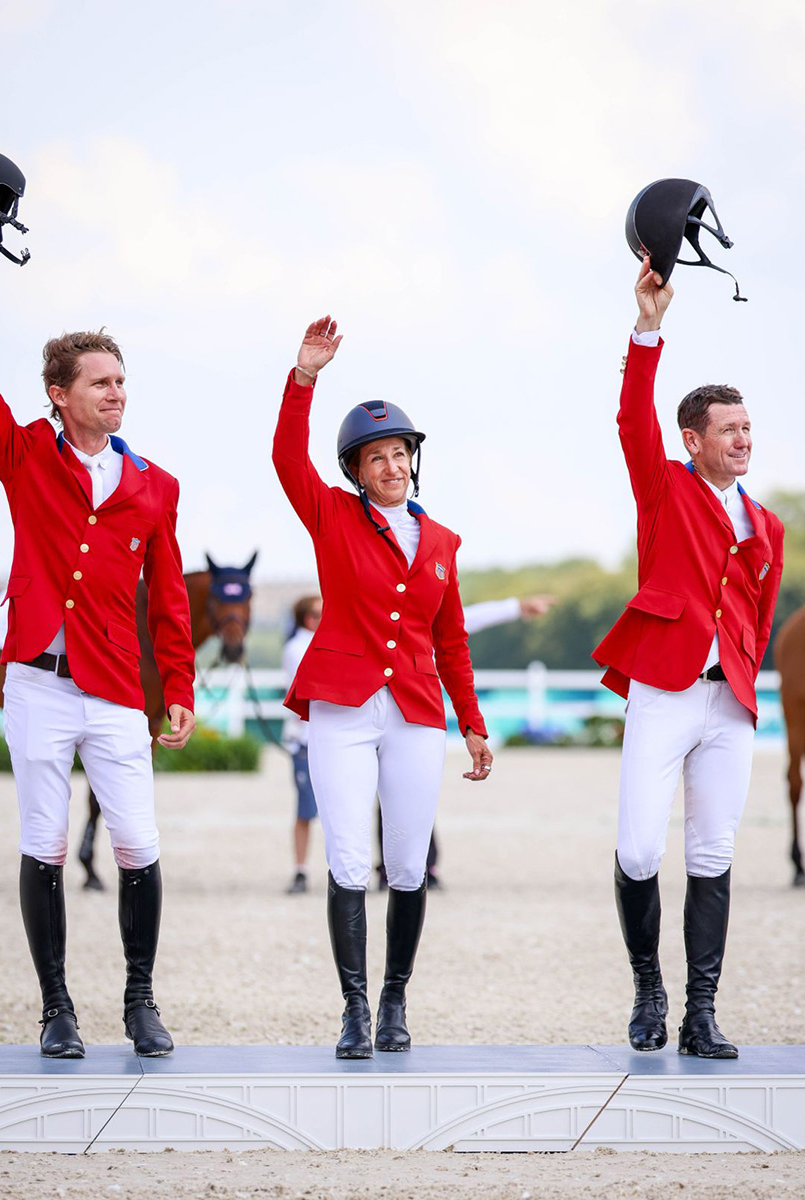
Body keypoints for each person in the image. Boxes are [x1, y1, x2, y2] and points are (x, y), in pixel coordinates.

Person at [0, 211, 196, 1059]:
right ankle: (56, 1009)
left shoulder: (156, 486)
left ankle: (141, 1001)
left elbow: (170, 601)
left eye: (122, 380)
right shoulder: (25, 454)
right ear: (61, 394)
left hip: (116, 690)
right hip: (37, 684)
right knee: (40, 844)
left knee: (137, 846)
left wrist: (177, 688)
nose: (117, 392)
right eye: (101, 382)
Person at [273, 315, 492, 1059]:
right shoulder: (331, 516)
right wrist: (303, 377)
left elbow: (452, 641)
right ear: (357, 471)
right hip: (342, 708)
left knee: (404, 863)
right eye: (377, 458)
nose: (392, 466)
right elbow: (283, 456)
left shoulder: (441, 544)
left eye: (400, 454)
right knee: (344, 859)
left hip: (415, 715)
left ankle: (395, 998)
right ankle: (353, 1007)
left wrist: (472, 722)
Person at [593, 257, 784, 1060]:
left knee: (713, 852)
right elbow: (631, 419)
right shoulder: (664, 487)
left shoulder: (768, 524)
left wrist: (741, 677)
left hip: (727, 703)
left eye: (748, 427)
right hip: (665, 691)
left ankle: (701, 1011)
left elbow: (760, 613)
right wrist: (648, 328)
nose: (744, 439)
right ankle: (648, 987)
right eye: (729, 430)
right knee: (640, 848)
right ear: (693, 440)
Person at [375, 592, 556, 890]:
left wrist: (516, 607)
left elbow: (469, 619)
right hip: (382, 711)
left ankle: (419, 866)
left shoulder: (424, 618)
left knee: (414, 793)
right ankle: (390, 867)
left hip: (414, 713)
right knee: (388, 796)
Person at [282, 594, 322, 893]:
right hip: (307, 738)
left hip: (314, 735)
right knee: (305, 809)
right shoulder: (298, 647)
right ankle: (300, 869)